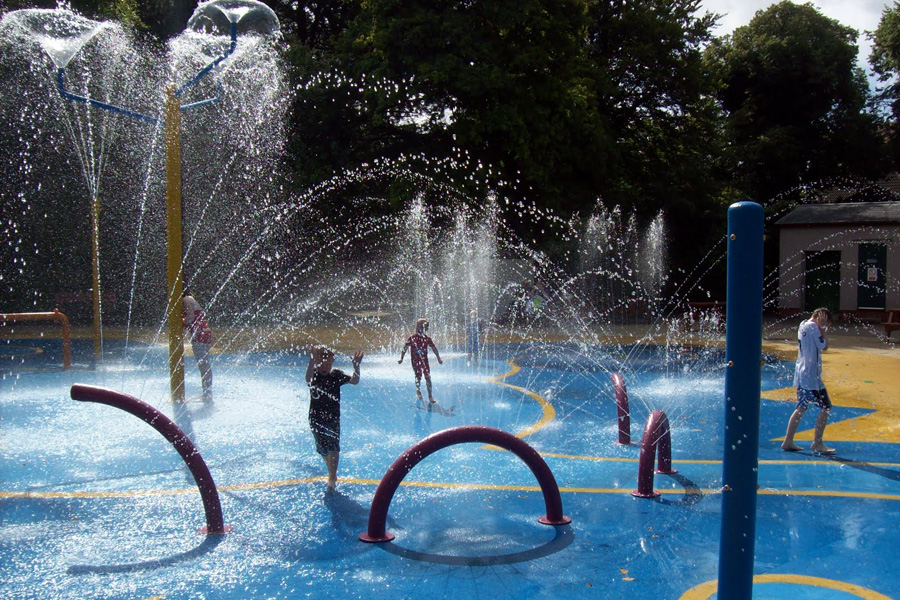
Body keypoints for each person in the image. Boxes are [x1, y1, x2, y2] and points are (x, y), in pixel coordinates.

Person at [305, 345, 363, 492]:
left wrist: (356, 367)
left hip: (333, 418)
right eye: (322, 364)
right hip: (316, 418)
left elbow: (354, 381)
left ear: (333, 362)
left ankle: (331, 478)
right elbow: (307, 378)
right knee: (322, 450)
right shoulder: (314, 375)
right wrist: (311, 360)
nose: (325, 367)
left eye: (328, 364)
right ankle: (331, 470)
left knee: (334, 448)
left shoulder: (336, 375)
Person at [781, 307, 836, 454]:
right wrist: (823, 329)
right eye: (826, 322)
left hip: (803, 373)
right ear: (820, 317)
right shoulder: (813, 328)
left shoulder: (803, 324)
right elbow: (824, 346)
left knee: (802, 407)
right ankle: (817, 442)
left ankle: (788, 441)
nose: (826, 326)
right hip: (811, 377)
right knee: (826, 407)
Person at [398, 318, 443, 403]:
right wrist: (401, 358)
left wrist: (438, 358)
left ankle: (430, 395)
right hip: (415, 360)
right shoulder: (412, 338)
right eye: (418, 326)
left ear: (425, 328)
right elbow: (405, 348)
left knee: (428, 377)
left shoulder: (427, 338)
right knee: (418, 376)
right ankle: (418, 391)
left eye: (421, 326)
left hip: (424, 361)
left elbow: (434, 348)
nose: (419, 328)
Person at [182, 291, 213, 402]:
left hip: (200, 335)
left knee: (204, 366)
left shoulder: (186, 299)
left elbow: (191, 317)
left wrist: (181, 322)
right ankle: (207, 394)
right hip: (204, 333)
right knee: (204, 365)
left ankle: (207, 395)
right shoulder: (191, 298)